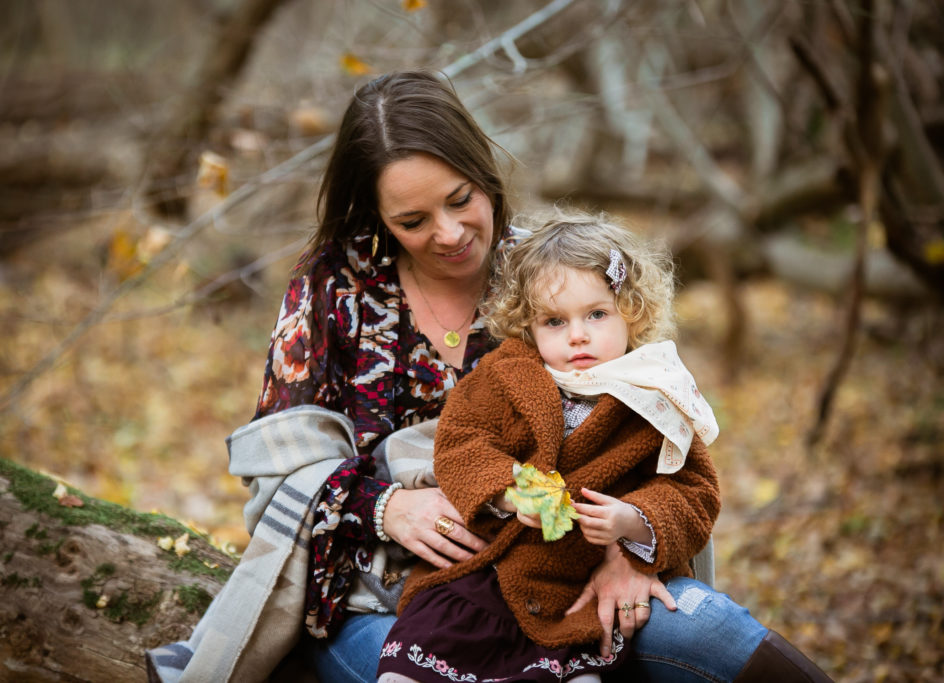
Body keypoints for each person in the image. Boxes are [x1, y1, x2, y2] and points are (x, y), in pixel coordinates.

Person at [146, 69, 832, 683]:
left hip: (567, 574)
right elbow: (280, 467)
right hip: (391, 595)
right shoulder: (336, 287)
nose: (448, 233)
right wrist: (388, 505)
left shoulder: (546, 271)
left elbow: (651, 423)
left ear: (485, 172)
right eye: (413, 220)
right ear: (377, 216)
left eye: (460, 199)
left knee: (709, 631)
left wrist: (632, 548)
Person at [375, 210, 723, 682]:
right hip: (487, 575)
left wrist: (633, 520)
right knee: (405, 671)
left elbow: (693, 490)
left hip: (576, 590)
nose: (577, 334)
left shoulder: (656, 392)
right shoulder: (506, 376)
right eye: (555, 321)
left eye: (597, 314)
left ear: (633, 312)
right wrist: (509, 491)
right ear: (529, 325)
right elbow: (463, 442)